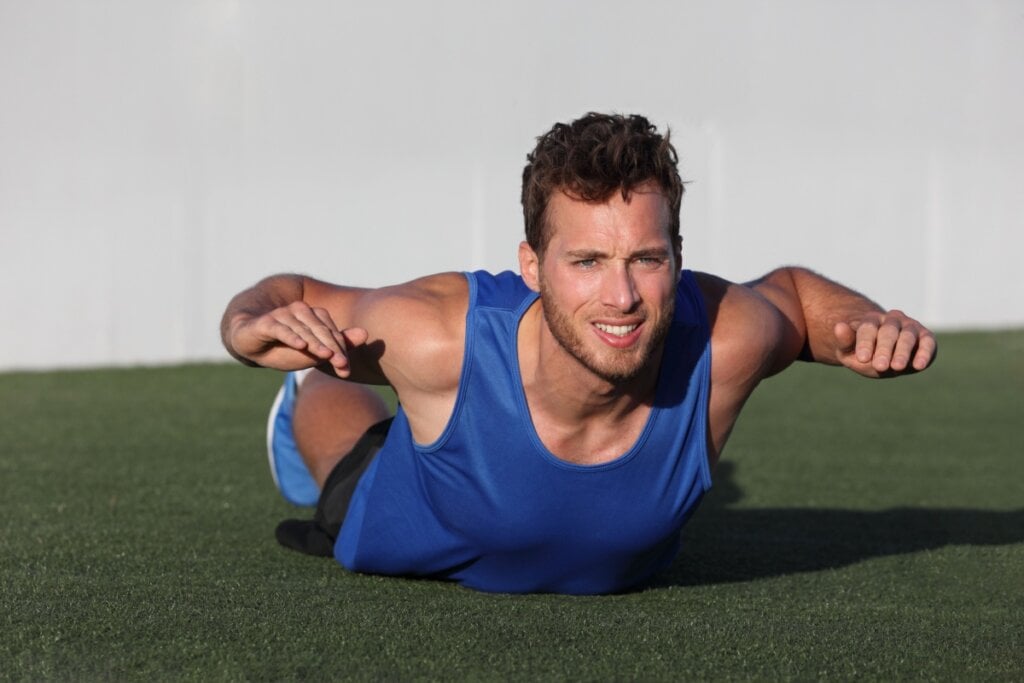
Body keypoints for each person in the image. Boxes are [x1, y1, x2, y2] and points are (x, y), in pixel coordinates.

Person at [221, 112, 937, 595]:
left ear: (678, 256)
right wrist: (248, 330)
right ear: (532, 266)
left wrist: (863, 322)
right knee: (340, 419)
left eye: (646, 259)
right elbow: (290, 293)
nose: (621, 296)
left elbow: (796, 296)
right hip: (415, 516)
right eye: (587, 260)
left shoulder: (723, 340)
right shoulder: (439, 335)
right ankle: (302, 403)